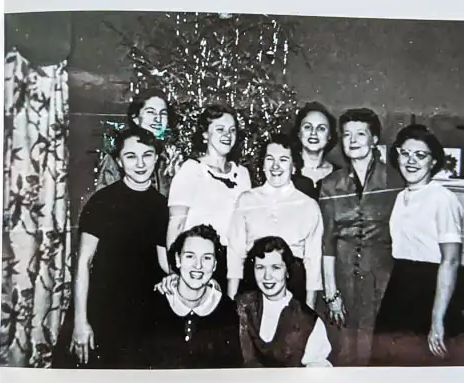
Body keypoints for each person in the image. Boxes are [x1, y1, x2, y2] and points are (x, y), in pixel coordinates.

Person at [53, 126, 169, 369]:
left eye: (147, 155)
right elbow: (84, 262)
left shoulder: (161, 206)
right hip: (102, 308)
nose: (140, 163)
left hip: (144, 312)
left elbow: (163, 263)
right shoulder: (102, 201)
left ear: (156, 159)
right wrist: (81, 321)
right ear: (119, 160)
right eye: (131, 156)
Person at [371, 124, 464, 366]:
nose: (411, 161)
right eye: (405, 153)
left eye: (420, 155)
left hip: (431, 290)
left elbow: (451, 261)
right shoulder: (400, 197)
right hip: (400, 286)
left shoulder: (443, 198)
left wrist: (436, 320)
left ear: (433, 162)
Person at [318, 109, 405, 366]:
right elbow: (327, 242)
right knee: (343, 351)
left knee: (376, 351)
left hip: (382, 279)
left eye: (360, 134)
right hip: (342, 278)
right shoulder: (330, 184)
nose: (353, 140)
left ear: (374, 138)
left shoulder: (395, 179)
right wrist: (331, 293)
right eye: (346, 135)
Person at [226, 133, 323, 310]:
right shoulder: (246, 199)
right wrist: (231, 301)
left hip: (293, 285)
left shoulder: (308, 205)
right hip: (254, 283)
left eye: (284, 159)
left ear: (294, 166)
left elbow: (313, 260)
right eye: (270, 159)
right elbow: (235, 253)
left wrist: (308, 308)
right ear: (262, 164)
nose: (276, 166)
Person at [167, 103, 252, 289]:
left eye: (232, 130)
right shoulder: (191, 170)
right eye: (220, 129)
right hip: (199, 263)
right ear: (205, 134)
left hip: (233, 266)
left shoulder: (243, 174)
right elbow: (176, 224)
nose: (227, 135)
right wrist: (174, 272)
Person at [142, 224, 241, 369]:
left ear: (214, 265)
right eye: (190, 256)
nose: (198, 266)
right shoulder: (153, 305)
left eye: (207, 258)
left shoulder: (227, 310)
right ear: (177, 259)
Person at [236, 236, 332, 367]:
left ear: (287, 271)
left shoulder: (309, 322)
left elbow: (317, 375)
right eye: (260, 267)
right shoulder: (241, 305)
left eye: (275, 267)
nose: (267, 276)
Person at [95, 88, 180, 196]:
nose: (158, 119)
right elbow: (103, 201)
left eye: (163, 114)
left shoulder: (168, 157)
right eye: (150, 112)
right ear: (135, 118)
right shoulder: (117, 156)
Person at [289, 102, 341, 199]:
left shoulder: (340, 175)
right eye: (308, 127)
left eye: (321, 128)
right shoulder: (285, 170)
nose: (314, 133)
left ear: (329, 136)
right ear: (299, 133)